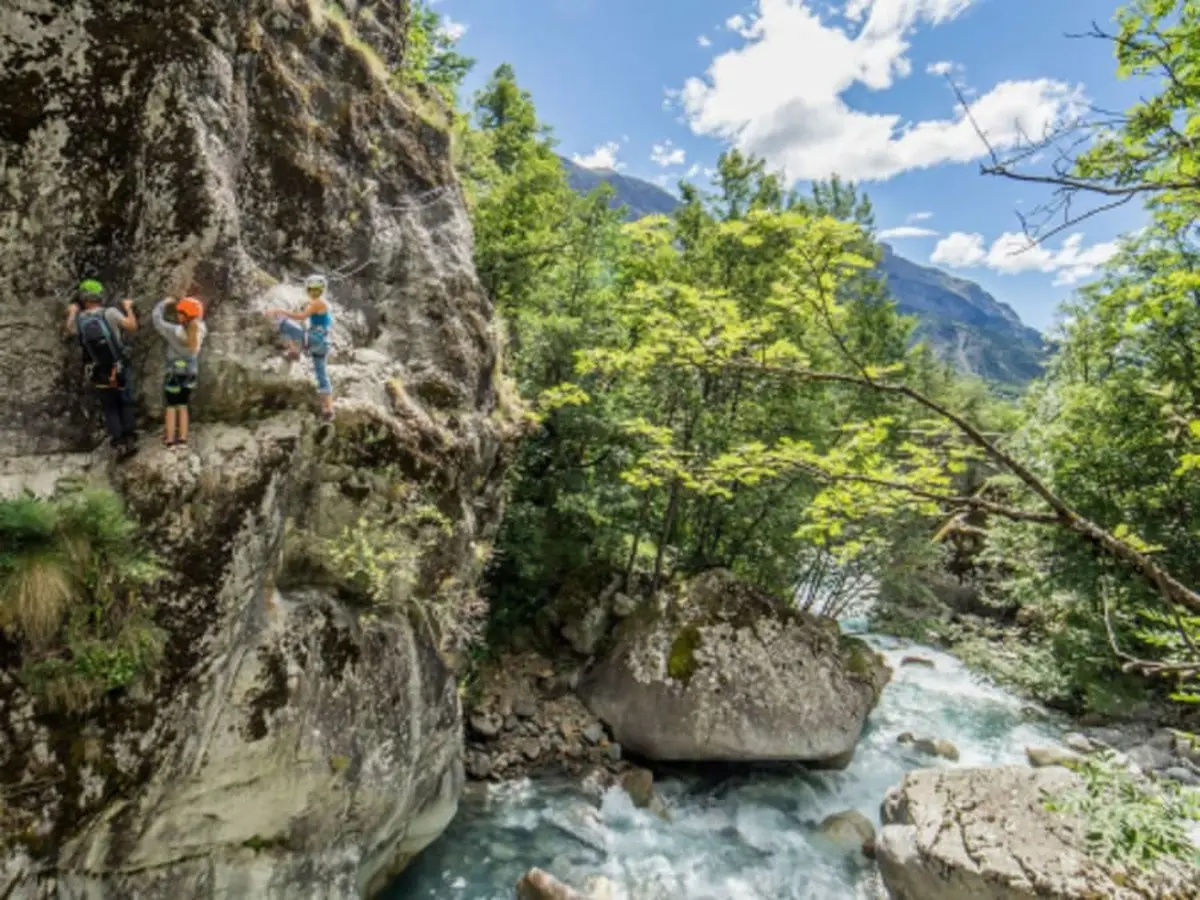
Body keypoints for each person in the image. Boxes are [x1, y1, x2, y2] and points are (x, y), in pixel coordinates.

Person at [65, 279, 139, 459]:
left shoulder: (80, 318)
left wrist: (72, 313)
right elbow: (132, 326)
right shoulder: (110, 313)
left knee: (110, 407)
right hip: (118, 365)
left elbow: (69, 331)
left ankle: (118, 442)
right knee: (126, 401)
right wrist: (128, 308)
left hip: (98, 371)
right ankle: (129, 438)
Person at [264, 274, 334, 420]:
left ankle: (294, 351)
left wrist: (279, 311)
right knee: (322, 376)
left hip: (314, 339)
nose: (313, 293)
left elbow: (301, 317)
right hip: (323, 343)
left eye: (316, 290)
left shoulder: (318, 303)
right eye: (312, 290)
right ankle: (328, 408)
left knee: (283, 322)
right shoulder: (322, 304)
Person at [152, 295, 207, 447]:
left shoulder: (173, 331)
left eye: (179, 313)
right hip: (190, 374)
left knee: (171, 406)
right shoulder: (201, 330)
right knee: (183, 404)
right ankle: (183, 437)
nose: (177, 315)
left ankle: (170, 438)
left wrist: (164, 302)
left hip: (174, 374)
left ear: (184, 316)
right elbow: (195, 324)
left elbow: (156, 320)